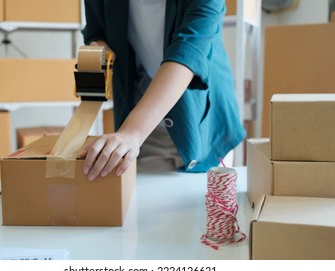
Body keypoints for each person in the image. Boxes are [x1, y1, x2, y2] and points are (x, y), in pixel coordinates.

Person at [79, 0, 246, 181]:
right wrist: (98, 56)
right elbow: (96, 32)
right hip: (144, 124)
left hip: (204, 123)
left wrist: (132, 133)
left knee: (205, 205)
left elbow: (189, 52)